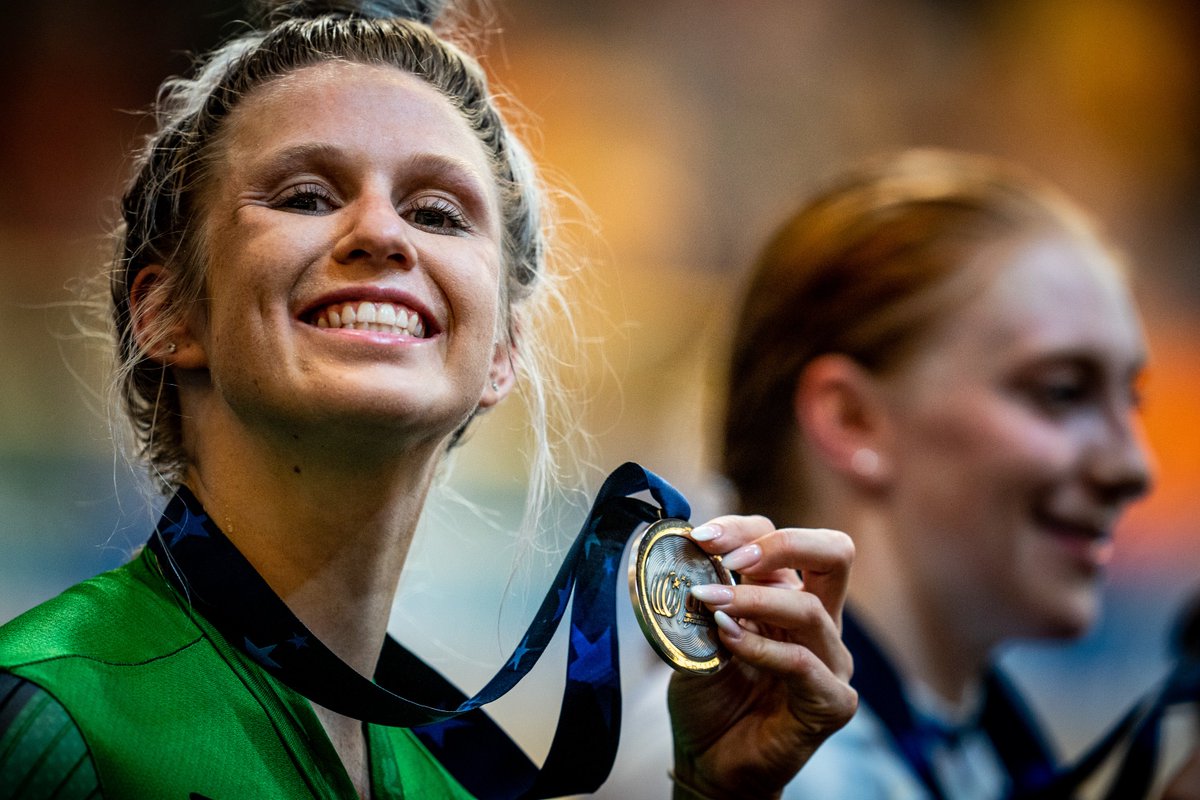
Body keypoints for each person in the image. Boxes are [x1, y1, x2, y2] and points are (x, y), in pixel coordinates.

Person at [0, 1, 856, 798]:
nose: (381, 233)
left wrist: (714, 792)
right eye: (305, 195)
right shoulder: (55, 715)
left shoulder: (447, 775)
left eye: (440, 213)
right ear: (167, 311)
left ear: (501, 354)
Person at [720, 148, 1155, 799]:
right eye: (1063, 392)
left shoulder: (974, 752)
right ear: (852, 419)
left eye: (1130, 400)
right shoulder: (754, 768)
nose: (1134, 466)